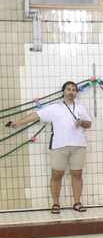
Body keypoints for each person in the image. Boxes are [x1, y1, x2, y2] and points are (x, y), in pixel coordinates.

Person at [6, 80, 92, 214]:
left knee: (77, 174)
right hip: (58, 146)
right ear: (63, 92)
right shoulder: (55, 107)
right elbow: (35, 115)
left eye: (74, 90)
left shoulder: (80, 108)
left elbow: (89, 124)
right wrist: (18, 123)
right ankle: (56, 203)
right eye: (68, 89)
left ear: (76, 93)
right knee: (57, 175)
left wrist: (81, 122)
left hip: (79, 146)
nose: (71, 92)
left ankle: (77, 202)